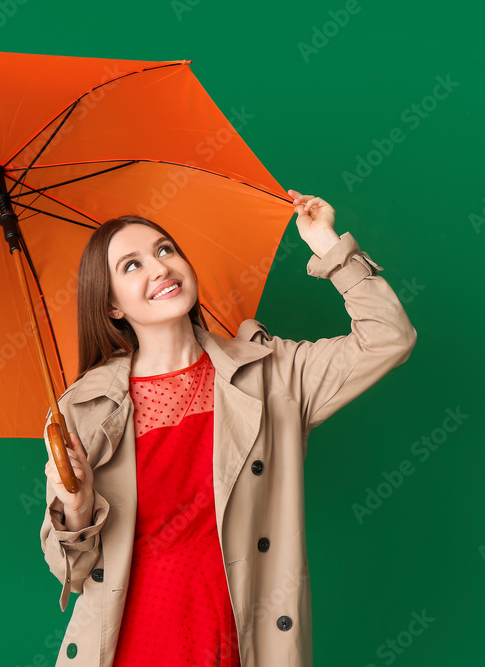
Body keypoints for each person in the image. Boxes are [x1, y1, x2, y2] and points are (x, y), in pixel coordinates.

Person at [39, 190, 417, 667]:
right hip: (131, 647)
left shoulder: (271, 373)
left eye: (164, 250)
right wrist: (75, 506)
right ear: (112, 305)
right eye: (131, 266)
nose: (159, 268)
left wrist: (328, 246)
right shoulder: (84, 410)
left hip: (240, 641)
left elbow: (389, 338)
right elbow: (71, 574)